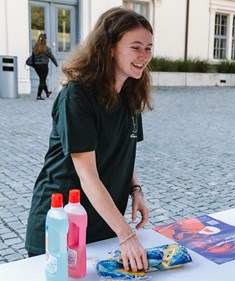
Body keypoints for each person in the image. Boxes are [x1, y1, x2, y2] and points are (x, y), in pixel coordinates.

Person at [25, 7, 154, 272]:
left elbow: (124, 152)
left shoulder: (130, 93)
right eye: (136, 47)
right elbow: (88, 176)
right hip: (62, 225)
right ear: (109, 48)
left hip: (103, 227)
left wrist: (136, 190)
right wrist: (126, 234)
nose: (144, 56)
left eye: (149, 48)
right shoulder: (78, 96)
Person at [32, 33, 58, 100]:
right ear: (45, 40)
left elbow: (32, 58)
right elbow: (52, 57)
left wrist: (34, 65)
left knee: (42, 79)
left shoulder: (35, 48)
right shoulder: (47, 49)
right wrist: (56, 64)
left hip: (37, 67)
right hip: (44, 66)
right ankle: (38, 96)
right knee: (42, 80)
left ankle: (47, 93)